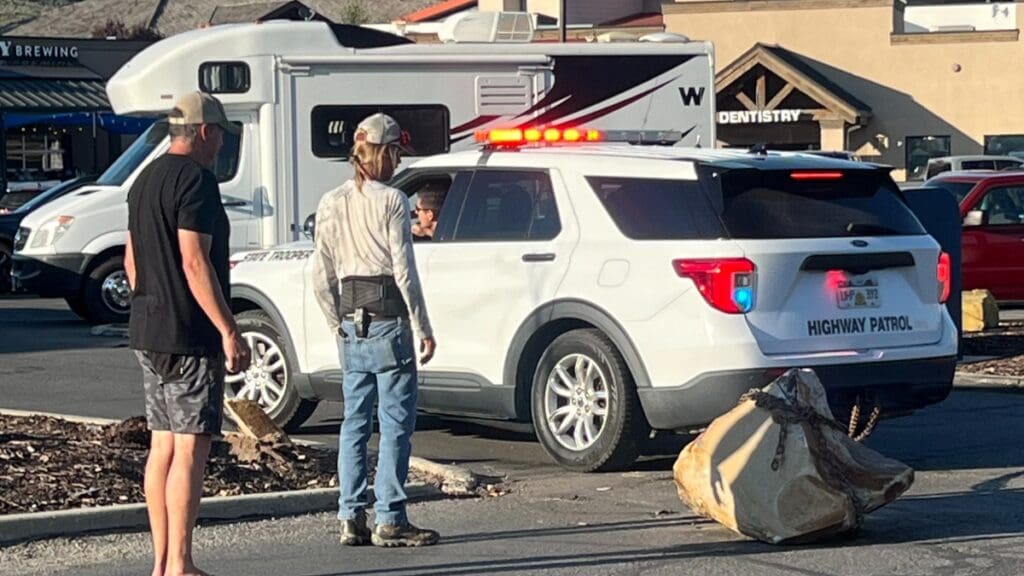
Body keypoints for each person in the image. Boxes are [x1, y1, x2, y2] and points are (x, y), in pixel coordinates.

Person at [125, 91, 250, 576]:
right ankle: (180, 563)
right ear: (203, 132)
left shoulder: (143, 181)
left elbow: (133, 262)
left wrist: (151, 300)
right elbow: (195, 262)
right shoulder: (196, 182)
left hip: (148, 329)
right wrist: (228, 329)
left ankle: (160, 563)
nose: (220, 143)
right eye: (218, 133)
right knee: (191, 447)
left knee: (162, 446)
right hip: (189, 334)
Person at [313, 113, 439, 548]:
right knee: (395, 423)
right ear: (384, 153)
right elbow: (405, 271)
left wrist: (336, 324)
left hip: (350, 319)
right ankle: (391, 516)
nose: (398, 160)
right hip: (388, 319)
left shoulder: (331, 202)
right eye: (396, 152)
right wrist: (422, 325)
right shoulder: (392, 201)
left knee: (353, 423)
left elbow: (320, 274)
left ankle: (350, 515)